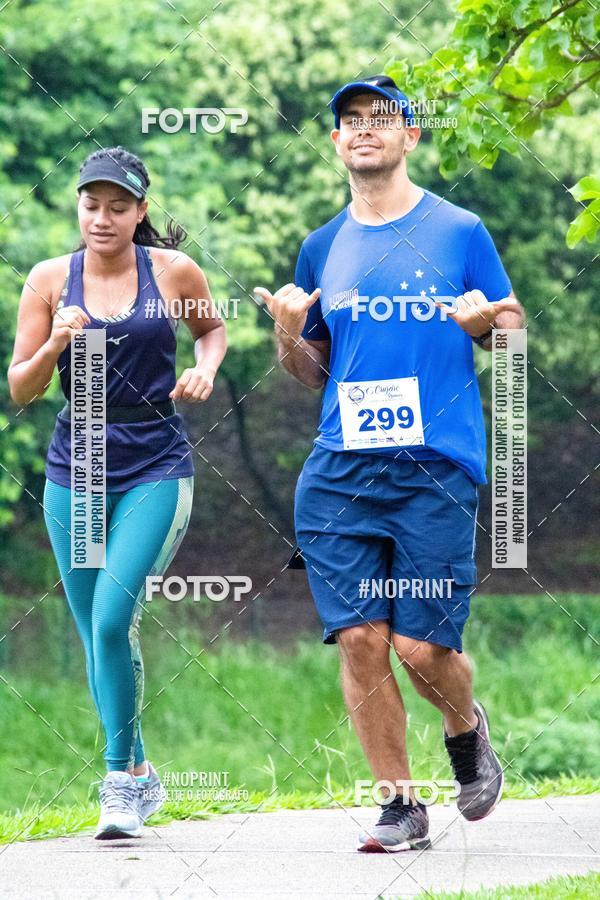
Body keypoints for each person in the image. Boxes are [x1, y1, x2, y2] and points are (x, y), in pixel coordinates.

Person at [255, 75, 525, 852]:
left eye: (382, 119)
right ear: (336, 143)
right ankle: (400, 804)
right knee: (363, 638)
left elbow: (510, 332)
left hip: (435, 466)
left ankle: (466, 727)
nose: (364, 129)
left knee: (421, 647)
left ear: (411, 137)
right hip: (340, 469)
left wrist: (486, 325)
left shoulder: (460, 229)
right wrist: (284, 333)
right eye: (349, 121)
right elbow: (312, 370)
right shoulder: (320, 246)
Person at [8, 146, 226, 839]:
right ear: (78, 207)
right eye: (90, 204)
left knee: (110, 621)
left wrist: (204, 369)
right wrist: (54, 346)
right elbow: (20, 389)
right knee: (93, 630)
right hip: (80, 463)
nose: (102, 218)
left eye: (118, 206)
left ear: (140, 211)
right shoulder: (47, 279)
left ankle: (115, 780)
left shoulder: (171, 272)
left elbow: (212, 329)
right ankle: (139, 775)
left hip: (155, 462)